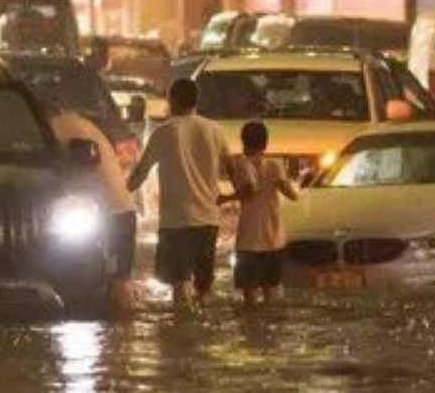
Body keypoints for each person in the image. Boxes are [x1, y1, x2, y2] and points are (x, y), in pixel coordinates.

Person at [127, 78, 231, 309]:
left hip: (176, 222)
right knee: (204, 288)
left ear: (172, 100)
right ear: (196, 100)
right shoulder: (215, 130)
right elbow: (232, 171)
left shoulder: (164, 132)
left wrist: (118, 195)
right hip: (209, 220)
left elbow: (139, 175)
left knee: (179, 286)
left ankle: (181, 336)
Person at [47, 101, 139, 314]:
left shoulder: (54, 128)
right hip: (122, 211)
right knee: (121, 281)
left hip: (109, 214)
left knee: (116, 285)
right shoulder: (84, 124)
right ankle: (124, 338)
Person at [220, 121, 299, 308]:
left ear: (243, 141)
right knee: (270, 294)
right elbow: (292, 195)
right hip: (273, 238)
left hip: (247, 240)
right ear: (265, 142)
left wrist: (225, 198)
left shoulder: (238, 164)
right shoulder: (274, 165)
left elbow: (243, 191)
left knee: (249, 299)